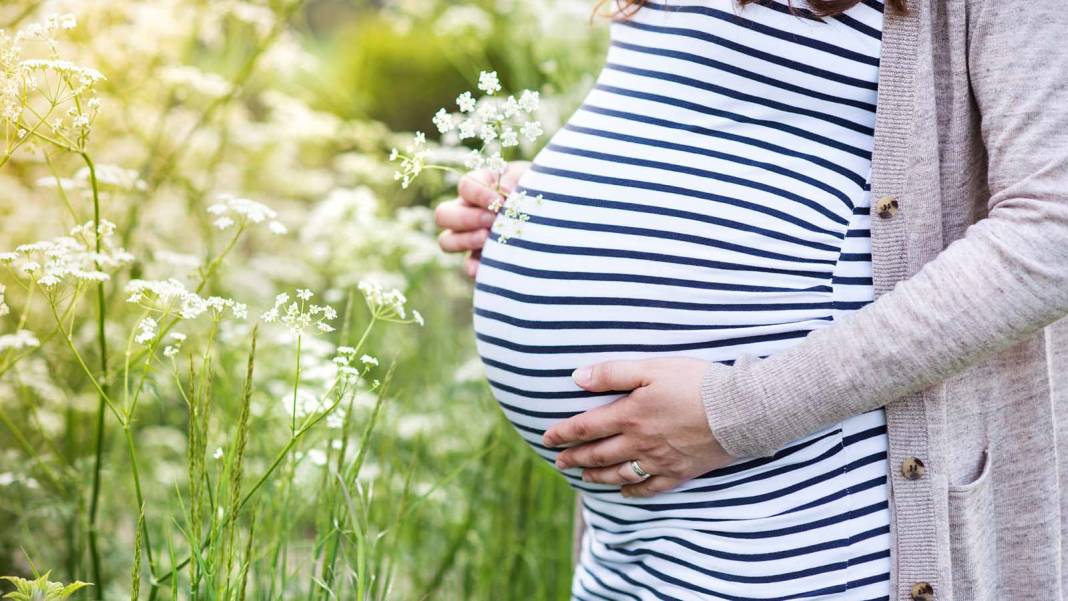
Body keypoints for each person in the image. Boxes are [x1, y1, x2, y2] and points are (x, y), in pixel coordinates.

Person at [434, 0, 1068, 599]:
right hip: (626, 537)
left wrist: (736, 411)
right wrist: (548, 213)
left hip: (816, 524)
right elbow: (712, 117)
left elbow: (1051, 233)